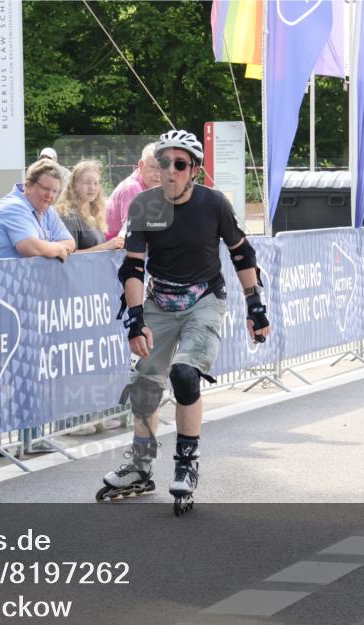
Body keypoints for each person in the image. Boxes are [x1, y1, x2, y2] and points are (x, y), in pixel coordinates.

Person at [96, 129, 271, 515]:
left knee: (185, 374)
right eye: (163, 163)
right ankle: (141, 468)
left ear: (193, 170)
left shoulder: (213, 204)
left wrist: (255, 306)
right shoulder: (144, 206)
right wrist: (136, 318)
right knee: (144, 384)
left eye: (179, 164)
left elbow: (242, 253)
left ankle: (186, 464)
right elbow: (133, 266)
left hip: (203, 299)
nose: (170, 172)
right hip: (160, 298)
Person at [0, 159, 76, 261]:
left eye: (55, 191)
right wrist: (57, 248)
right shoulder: (12, 207)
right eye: (45, 189)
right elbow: (30, 248)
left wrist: (50, 248)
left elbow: (70, 243)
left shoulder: (47, 209)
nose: (50, 195)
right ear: (28, 185)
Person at [55, 160, 126, 253]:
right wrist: (105, 247)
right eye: (87, 182)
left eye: (95, 183)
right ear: (75, 185)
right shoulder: (68, 216)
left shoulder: (94, 212)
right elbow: (68, 256)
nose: (92, 188)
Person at [104, 143, 161, 241]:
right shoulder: (132, 188)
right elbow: (133, 232)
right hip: (112, 252)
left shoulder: (149, 186)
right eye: (153, 167)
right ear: (141, 165)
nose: (158, 174)